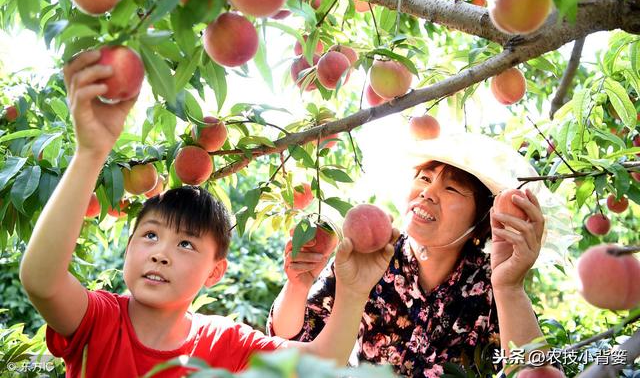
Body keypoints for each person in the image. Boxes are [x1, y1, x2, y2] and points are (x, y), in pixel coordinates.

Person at [18, 50, 399, 378]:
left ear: (215, 271)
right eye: (150, 235)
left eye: (185, 243)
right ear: (128, 247)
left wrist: (352, 291)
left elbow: (317, 366)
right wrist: (91, 153)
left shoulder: (224, 342)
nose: (160, 252)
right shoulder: (100, 319)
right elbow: (41, 280)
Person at [268, 132, 572, 377]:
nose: (427, 192)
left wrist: (509, 288)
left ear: (480, 222)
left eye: (452, 188)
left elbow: (534, 373)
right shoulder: (371, 257)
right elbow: (291, 340)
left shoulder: (490, 284)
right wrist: (297, 285)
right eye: (425, 178)